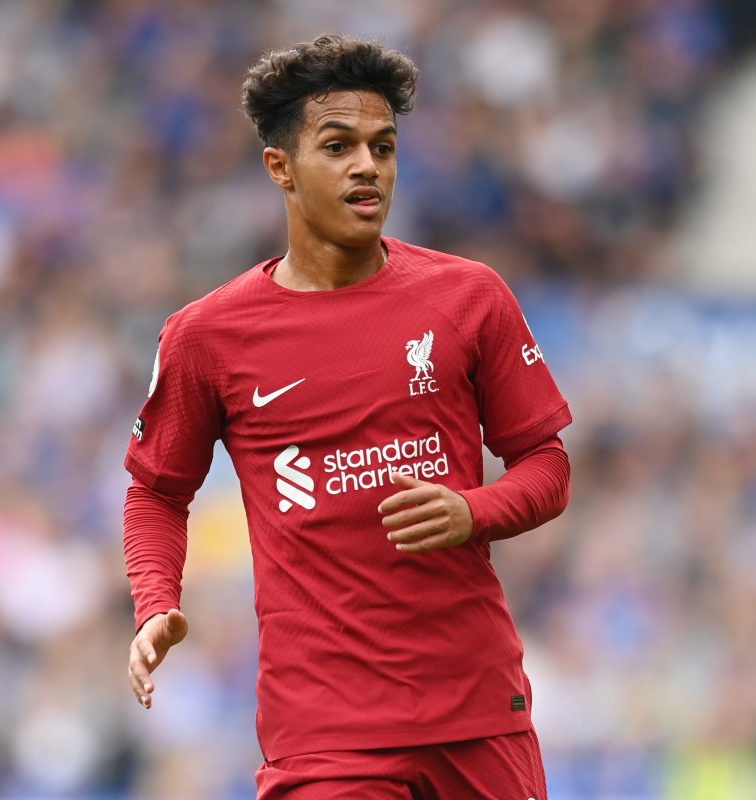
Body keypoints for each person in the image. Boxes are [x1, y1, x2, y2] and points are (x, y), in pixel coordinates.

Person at [123, 34, 572, 800]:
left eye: (383, 145)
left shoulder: (469, 297)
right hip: (327, 735)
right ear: (281, 168)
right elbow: (157, 491)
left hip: (476, 708)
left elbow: (547, 466)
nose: (368, 165)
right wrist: (157, 600)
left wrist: (474, 511)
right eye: (338, 146)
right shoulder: (207, 336)